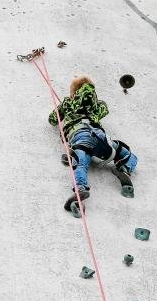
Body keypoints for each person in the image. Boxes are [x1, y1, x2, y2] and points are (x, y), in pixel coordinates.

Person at [48, 75, 137, 211]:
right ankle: (124, 168)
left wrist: (64, 106)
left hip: (80, 136)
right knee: (127, 154)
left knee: (81, 162)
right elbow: (105, 108)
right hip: (101, 138)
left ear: (74, 92)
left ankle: (81, 188)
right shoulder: (96, 106)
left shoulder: (68, 104)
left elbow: (52, 120)